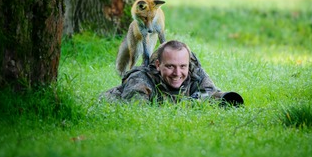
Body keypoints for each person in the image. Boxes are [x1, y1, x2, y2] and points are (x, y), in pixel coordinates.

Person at [101, 40, 244, 106]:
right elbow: (137, 109)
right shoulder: (141, 78)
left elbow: (212, 93)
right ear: (158, 65)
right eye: (170, 66)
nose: (177, 73)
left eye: (183, 66)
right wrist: (189, 104)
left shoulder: (193, 72)